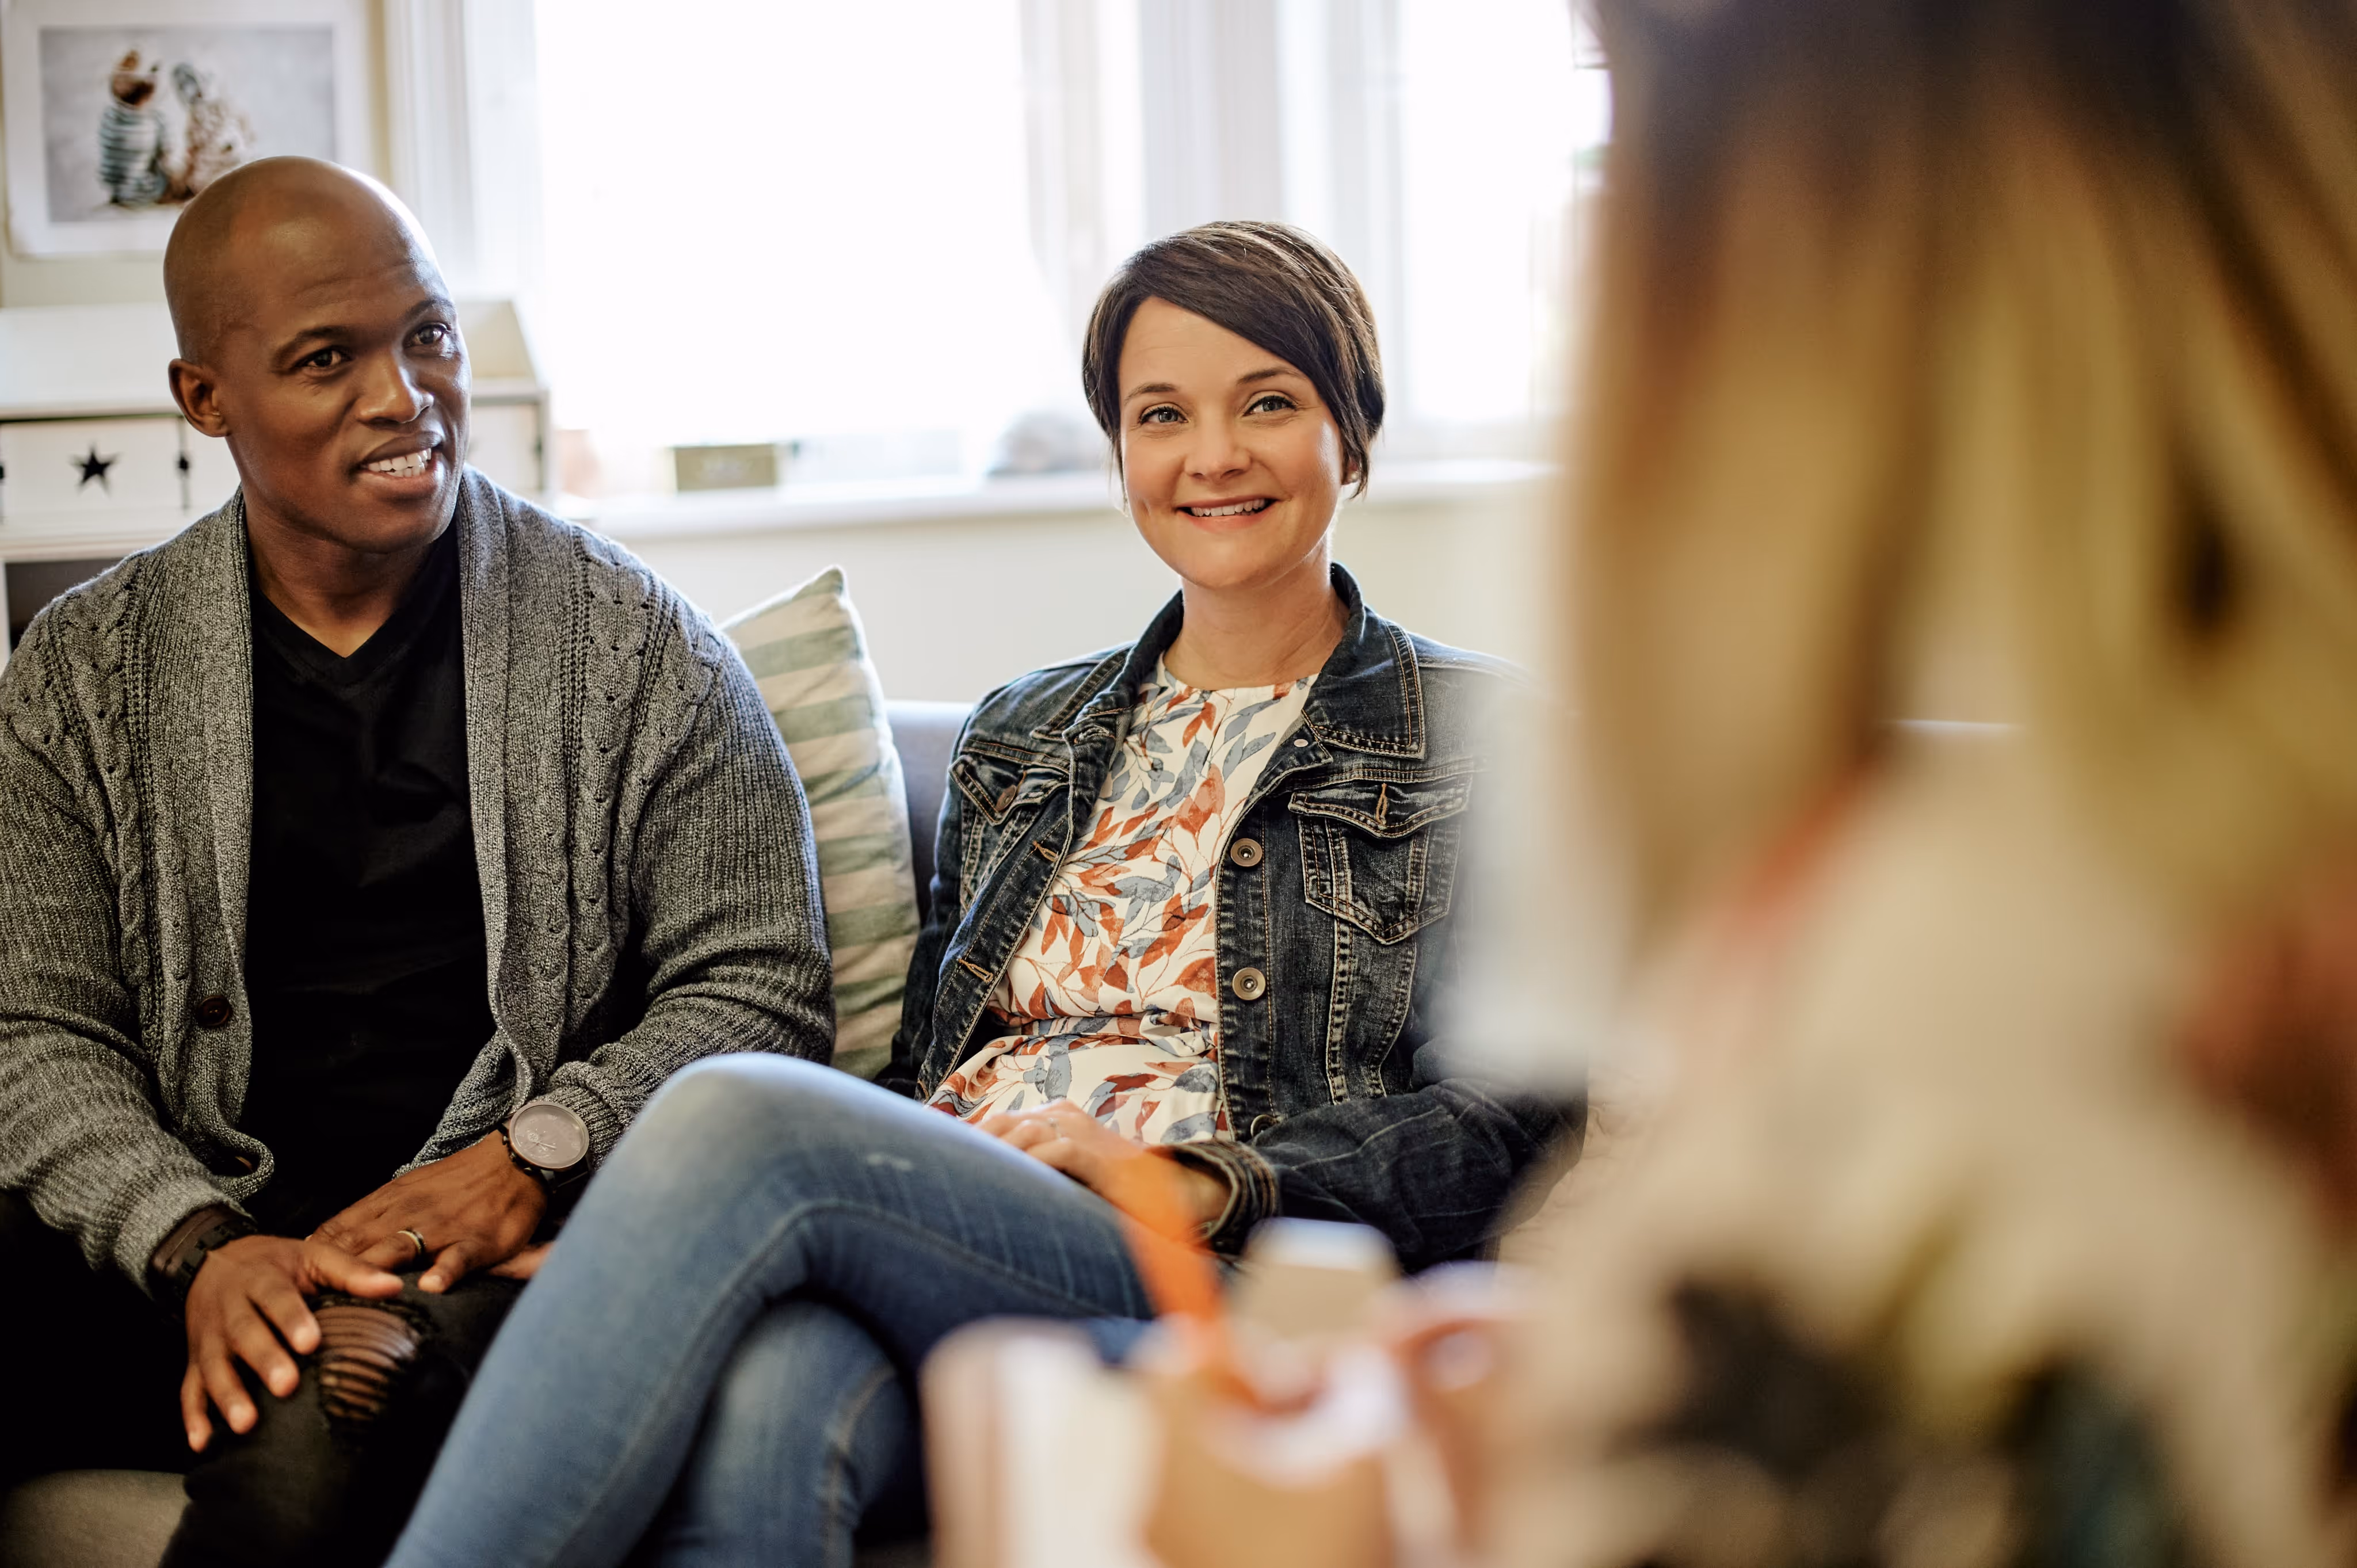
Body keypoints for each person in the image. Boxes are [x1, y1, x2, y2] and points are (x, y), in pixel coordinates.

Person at [1138, 1, 2357, 1566]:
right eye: (1159, 411)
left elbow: (1492, 1129)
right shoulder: (2167, 909)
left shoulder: (1976, 964)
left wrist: (1308, 1534)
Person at [382, 220, 1576, 1568]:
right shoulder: (1025, 733)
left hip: (1204, 1275)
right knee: (775, 1399)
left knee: (736, 1119)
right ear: (1120, 455)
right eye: (1160, 415)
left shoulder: (1483, 736)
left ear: (1349, 437)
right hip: (951, 1241)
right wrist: (670, 1252)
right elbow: (931, 1071)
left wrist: (1193, 1180)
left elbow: (1496, 1116)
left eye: (1269, 404)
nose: (1213, 455)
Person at [0, 157, 834, 1566]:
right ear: (205, 398)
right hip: (186, 1244)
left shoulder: (632, 646)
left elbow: (760, 988)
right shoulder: (85, 674)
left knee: (324, 1416)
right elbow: (37, 1023)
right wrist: (196, 1242)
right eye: (329, 359)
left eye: (427, 336)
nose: (404, 397)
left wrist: (534, 1148)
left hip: (483, 1263)